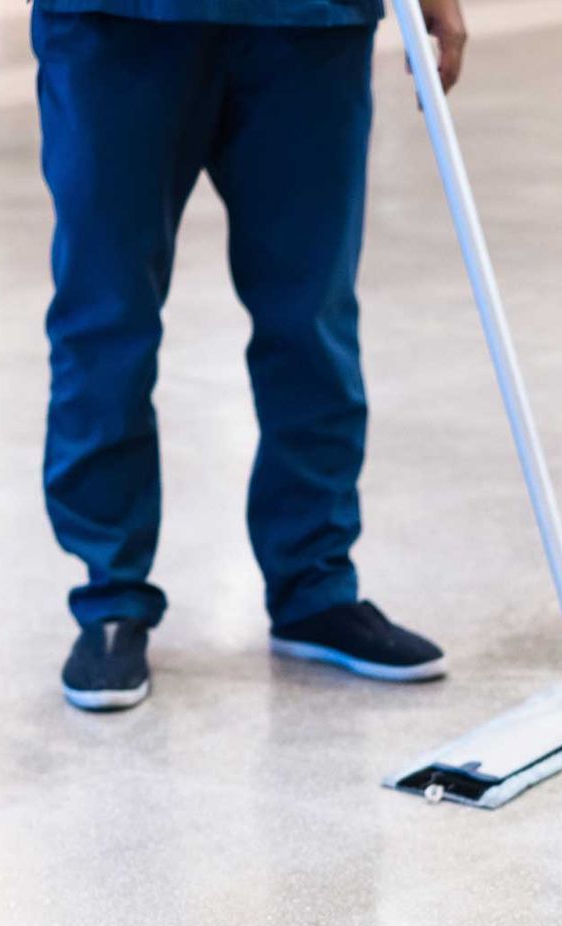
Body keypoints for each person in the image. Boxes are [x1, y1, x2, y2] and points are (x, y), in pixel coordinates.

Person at [34, 0, 468, 711]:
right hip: (117, 23)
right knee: (104, 316)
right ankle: (109, 596)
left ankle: (315, 587)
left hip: (307, 23)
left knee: (313, 314)